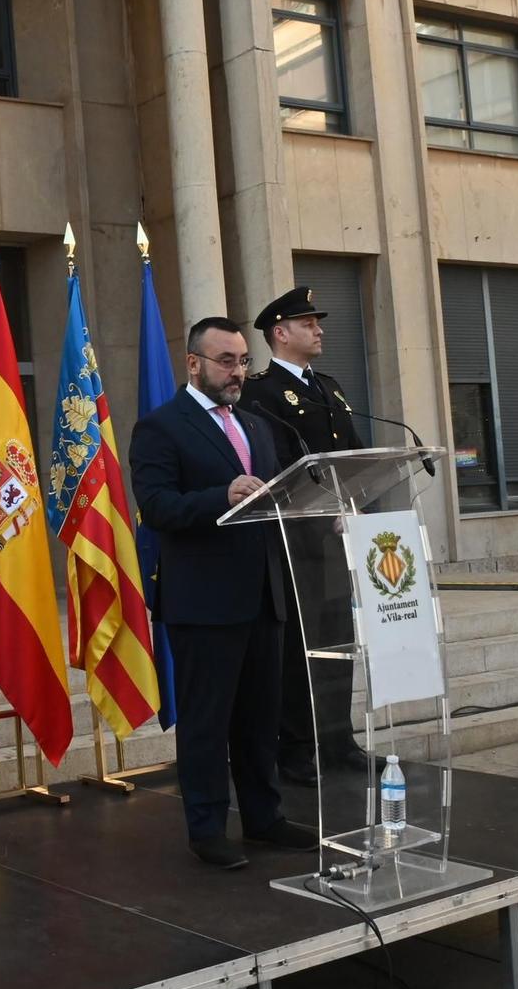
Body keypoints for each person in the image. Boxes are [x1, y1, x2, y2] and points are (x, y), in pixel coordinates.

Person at [129, 316, 318, 868]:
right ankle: (208, 826)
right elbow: (158, 506)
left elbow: (282, 490)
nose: (238, 372)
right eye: (226, 361)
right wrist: (221, 494)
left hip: (264, 593)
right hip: (205, 601)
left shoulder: (258, 426)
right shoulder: (161, 427)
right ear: (194, 364)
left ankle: (265, 818)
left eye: (243, 361)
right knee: (209, 722)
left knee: (261, 718)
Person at [238, 287, 370, 785]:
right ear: (280, 333)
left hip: (335, 537)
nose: (319, 330)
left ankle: (338, 740)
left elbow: (352, 455)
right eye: (309, 322)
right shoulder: (260, 392)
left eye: (318, 322)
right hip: (292, 541)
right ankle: (294, 749)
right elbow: (270, 465)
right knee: (298, 644)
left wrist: (352, 502)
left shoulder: (330, 387)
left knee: (338, 638)